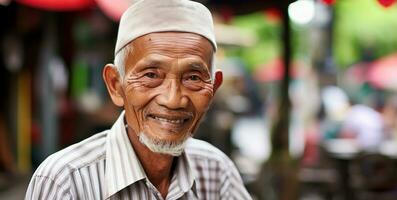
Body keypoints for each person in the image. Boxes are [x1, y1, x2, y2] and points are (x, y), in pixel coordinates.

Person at [25, 0, 252, 199]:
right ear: (115, 85)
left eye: (193, 77)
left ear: (214, 88)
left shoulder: (218, 172)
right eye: (151, 75)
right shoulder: (65, 183)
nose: (173, 100)